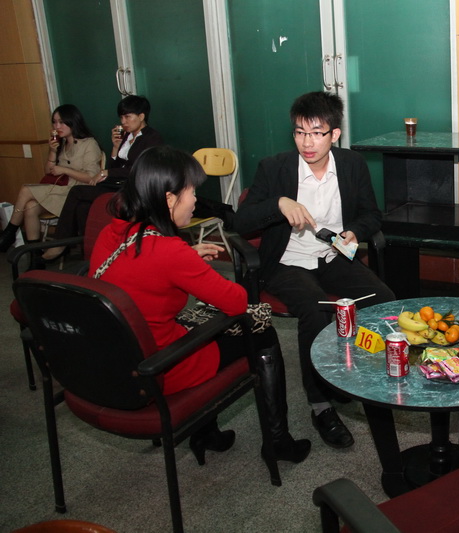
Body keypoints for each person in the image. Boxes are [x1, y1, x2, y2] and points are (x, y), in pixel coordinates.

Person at [89, 145, 311, 465]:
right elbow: (237, 302)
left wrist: (186, 264)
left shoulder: (111, 233)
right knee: (262, 332)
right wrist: (195, 268)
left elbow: (141, 275)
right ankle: (278, 442)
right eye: (192, 191)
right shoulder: (170, 251)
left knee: (201, 321)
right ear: (169, 199)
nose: (195, 200)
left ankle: (206, 433)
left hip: (118, 361)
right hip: (162, 367)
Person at [232, 91, 395, 449]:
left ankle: (352, 371)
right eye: (300, 132)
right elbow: (241, 223)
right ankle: (320, 405)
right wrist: (278, 203)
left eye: (317, 133)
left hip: (334, 256)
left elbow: (372, 214)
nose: (307, 143)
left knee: (382, 300)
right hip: (287, 261)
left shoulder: (351, 165)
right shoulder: (275, 168)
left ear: (334, 134)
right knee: (316, 309)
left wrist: (355, 232)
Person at [42, 95, 164, 261]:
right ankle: (90, 253)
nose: (123, 121)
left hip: (135, 188)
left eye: (127, 117)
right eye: (121, 117)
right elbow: (115, 167)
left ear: (141, 116)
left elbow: (139, 170)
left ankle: (60, 244)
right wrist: (115, 148)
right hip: (117, 184)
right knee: (83, 206)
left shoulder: (152, 138)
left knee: (77, 191)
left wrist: (105, 173)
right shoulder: (127, 137)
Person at [0, 104, 102, 252]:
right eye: (54, 122)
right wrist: (53, 151)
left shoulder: (89, 144)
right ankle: (35, 255)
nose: (57, 126)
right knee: (30, 207)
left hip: (76, 193)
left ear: (73, 121)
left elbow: (92, 177)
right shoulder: (61, 143)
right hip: (59, 190)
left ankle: (10, 232)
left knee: (26, 189)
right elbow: (48, 171)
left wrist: (65, 170)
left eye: (61, 122)